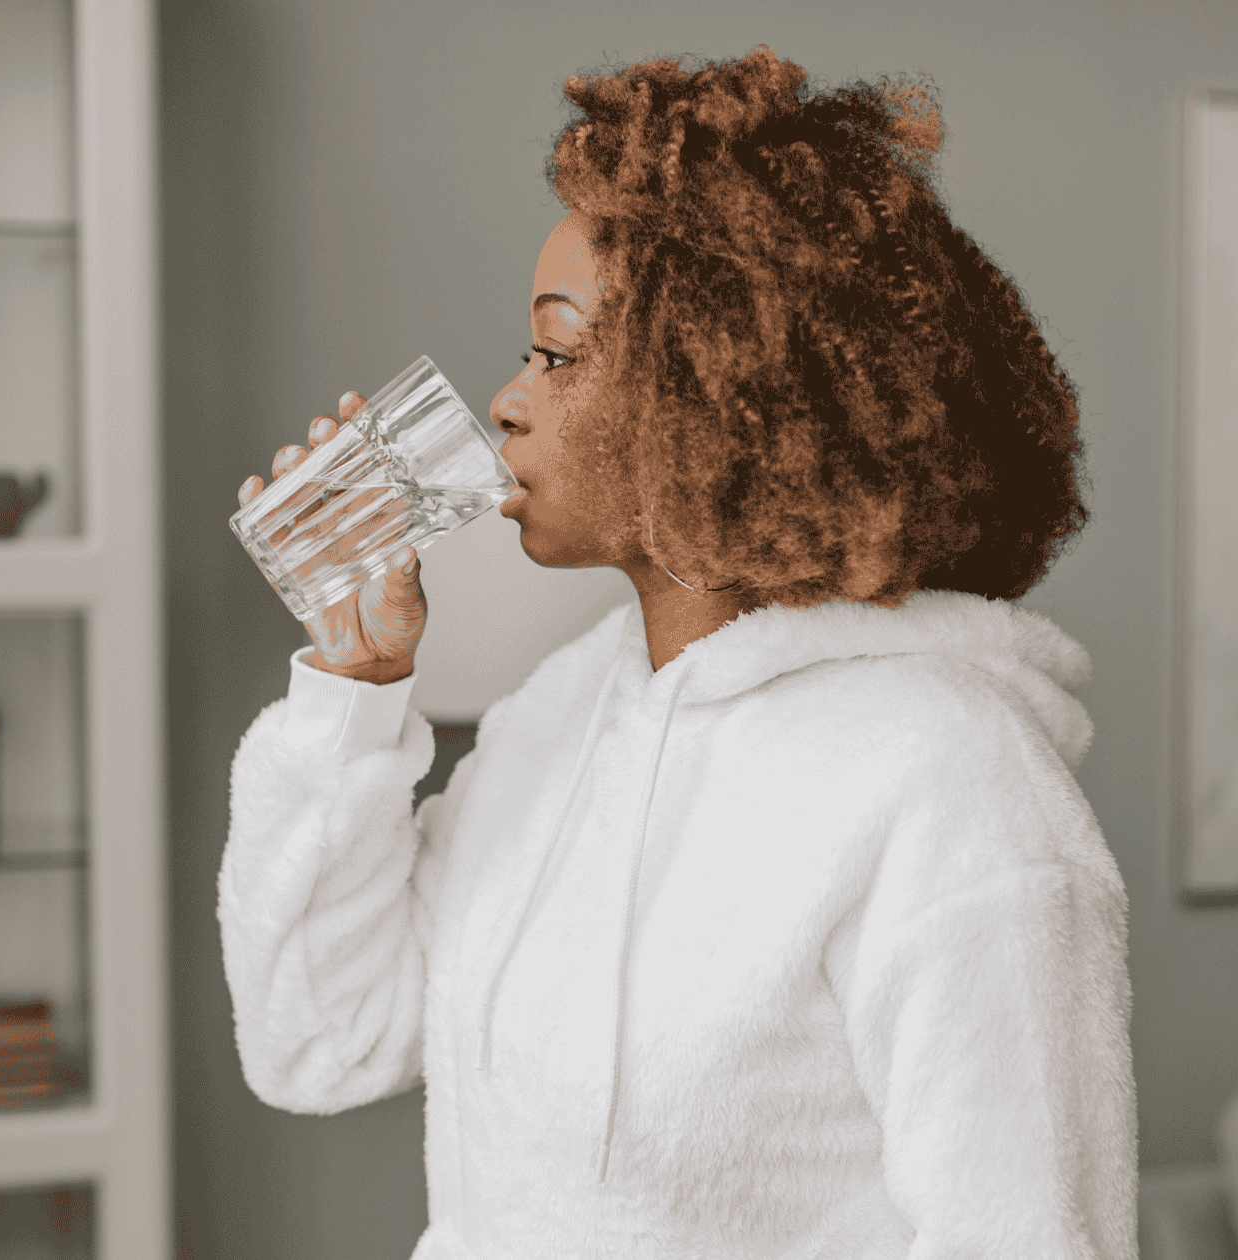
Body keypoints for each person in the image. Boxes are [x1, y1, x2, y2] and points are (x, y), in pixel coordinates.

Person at [221, 46, 1135, 1260]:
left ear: (715, 388)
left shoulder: (954, 784)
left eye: (553, 351)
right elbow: (319, 1042)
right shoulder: (562, 715)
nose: (507, 400)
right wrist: (351, 689)